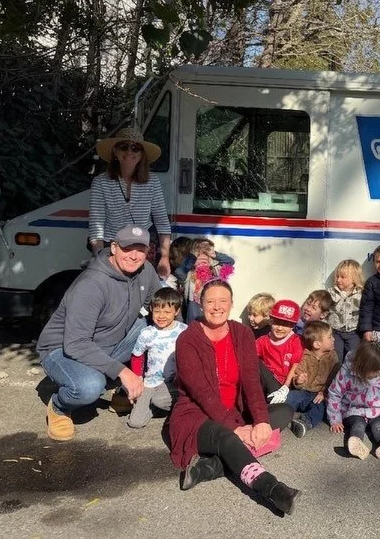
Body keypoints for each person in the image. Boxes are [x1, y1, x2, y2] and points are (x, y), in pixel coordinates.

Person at [164, 281, 300, 514]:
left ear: (231, 304)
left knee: (283, 412)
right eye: (210, 301)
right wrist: (236, 429)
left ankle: (207, 469)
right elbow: (202, 394)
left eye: (223, 301)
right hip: (196, 414)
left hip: (236, 410)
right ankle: (273, 489)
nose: (217, 307)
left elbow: (250, 381)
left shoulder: (242, 333)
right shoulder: (187, 340)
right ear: (201, 304)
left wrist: (260, 421)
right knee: (228, 438)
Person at [37, 225, 160, 441]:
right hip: (62, 349)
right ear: (114, 247)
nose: (134, 256)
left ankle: (120, 392)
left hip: (109, 342)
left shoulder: (146, 270)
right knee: (89, 387)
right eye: (127, 248)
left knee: (155, 328)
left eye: (140, 250)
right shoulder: (91, 284)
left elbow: (162, 306)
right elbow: (76, 344)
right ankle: (59, 407)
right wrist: (123, 371)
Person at [89, 128, 172, 278]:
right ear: (115, 151)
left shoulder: (152, 181)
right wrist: (99, 258)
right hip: (112, 246)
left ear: (142, 154)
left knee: (141, 291)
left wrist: (165, 258)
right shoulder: (101, 182)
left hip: (143, 246)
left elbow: (162, 222)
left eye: (135, 148)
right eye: (123, 147)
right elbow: (96, 226)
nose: (129, 152)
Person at [327, 341, 380, 460]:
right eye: (374, 372)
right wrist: (335, 419)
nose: (378, 374)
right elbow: (335, 393)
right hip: (354, 409)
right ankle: (356, 444)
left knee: (378, 424)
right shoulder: (347, 371)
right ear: (361, 367)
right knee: (358, 424)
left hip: (377, 409)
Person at [127, 287, 188, 429]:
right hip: (151, 381)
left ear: (176, 311)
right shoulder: (147, 333)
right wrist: (137, 379)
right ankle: (155, 405)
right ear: (151, 310)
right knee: (135, 422)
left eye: (167, 312)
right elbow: (137, 356)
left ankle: (179, 405)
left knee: (160, 400)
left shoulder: (184, 331)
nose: (161, 316)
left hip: (173, 383)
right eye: (157, 311)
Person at [287, 321, 340, 438]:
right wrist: (298, 381)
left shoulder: (333, 357)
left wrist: (324, 392)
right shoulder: (305, 355)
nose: (334, 339)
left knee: (319, 409)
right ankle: (280, 415)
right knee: (291, 397)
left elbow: (335, 379)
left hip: (320, 395)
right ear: (317, 344)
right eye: (330, 336)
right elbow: (298, 375)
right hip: (304, 392)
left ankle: (305, 422)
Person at [181, 238, 235, 324]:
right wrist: (193, 259)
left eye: (206, 253)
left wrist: (213, 254)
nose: (203, 257)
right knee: (194, 330)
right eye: (199, 254)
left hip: (212, 307)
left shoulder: (215, 270)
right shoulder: (189, 273)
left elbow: (230, 261)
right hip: (194, 307)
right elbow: (179, 272)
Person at [255, 299, 305, 386]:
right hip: (266, 379)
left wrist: (286, 386)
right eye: (277, 323)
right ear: (271, 321)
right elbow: (249, 354)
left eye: (285, 324)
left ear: (293, 326)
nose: (280, 328)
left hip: (284, 383)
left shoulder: (296, 342)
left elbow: (296, 365)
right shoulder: (263, 341)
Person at [328, 259, 363, 361]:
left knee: (354, 358)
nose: (338, 280)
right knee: (336, 359)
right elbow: (324, 309)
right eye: (337, 276)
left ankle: (351, 376)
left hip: (353, 332)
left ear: (354, 278)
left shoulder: (361, 294)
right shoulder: (331, 293)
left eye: (343, 277)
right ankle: (335, 376)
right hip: (335, 332)